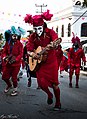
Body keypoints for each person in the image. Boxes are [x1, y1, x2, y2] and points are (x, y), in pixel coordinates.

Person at [24, 10, 61, 110]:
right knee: (41, 83)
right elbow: (29, 49)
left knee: (54, 84)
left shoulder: (51, 32)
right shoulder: (33, 36)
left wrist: (53, 45)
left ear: (43, 26)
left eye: (39, 28)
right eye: (35, 29)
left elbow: (56, 40)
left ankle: (58, 103)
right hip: (40, 64)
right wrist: (32, 54)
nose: (37, 31)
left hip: (51, 62)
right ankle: (49, 95)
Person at [2, 26, 23, 96]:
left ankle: (15, 89)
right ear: (11, 36)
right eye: (13, 35)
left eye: (16, 36)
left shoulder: (20, 44)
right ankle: (9, 85)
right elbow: (4, 52)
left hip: (16, 64)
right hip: (8, 62)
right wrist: (5, 57)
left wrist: (15, 59)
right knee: (4, 77)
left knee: (14, 77)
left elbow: (21, 54)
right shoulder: (7, 43)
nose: (14, 37)